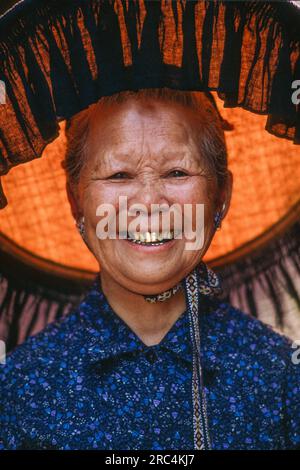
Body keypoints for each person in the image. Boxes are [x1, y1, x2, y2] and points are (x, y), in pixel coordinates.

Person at [0, 88, 299, 450]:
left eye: (177, 172)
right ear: (76, 202)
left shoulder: (282, 377)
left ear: (220, 196)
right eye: (118, 175)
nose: (149, 203)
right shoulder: (19, 389)